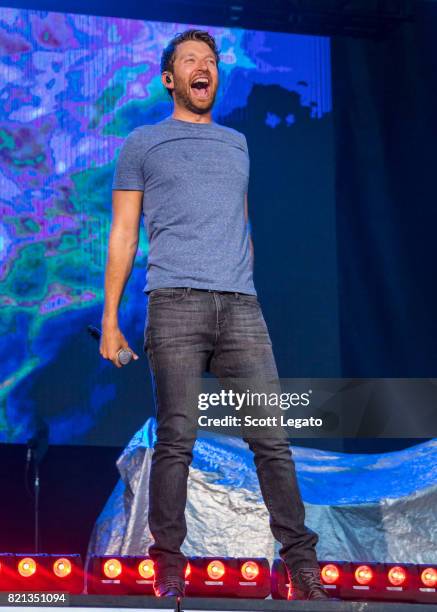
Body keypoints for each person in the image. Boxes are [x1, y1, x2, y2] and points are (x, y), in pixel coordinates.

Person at [100, 28, 329, 601]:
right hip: (175, 304)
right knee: (177, 437)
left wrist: (241, 286)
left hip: (241, 309)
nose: (205, 68)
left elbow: (242, 223)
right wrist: (110, 321)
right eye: (191, 61)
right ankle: (169, 565)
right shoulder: (143, 144)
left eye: (212, 61)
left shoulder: (236, 143)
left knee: (272, 441)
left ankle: (301, 565)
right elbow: (124, 234)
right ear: (169, 79)